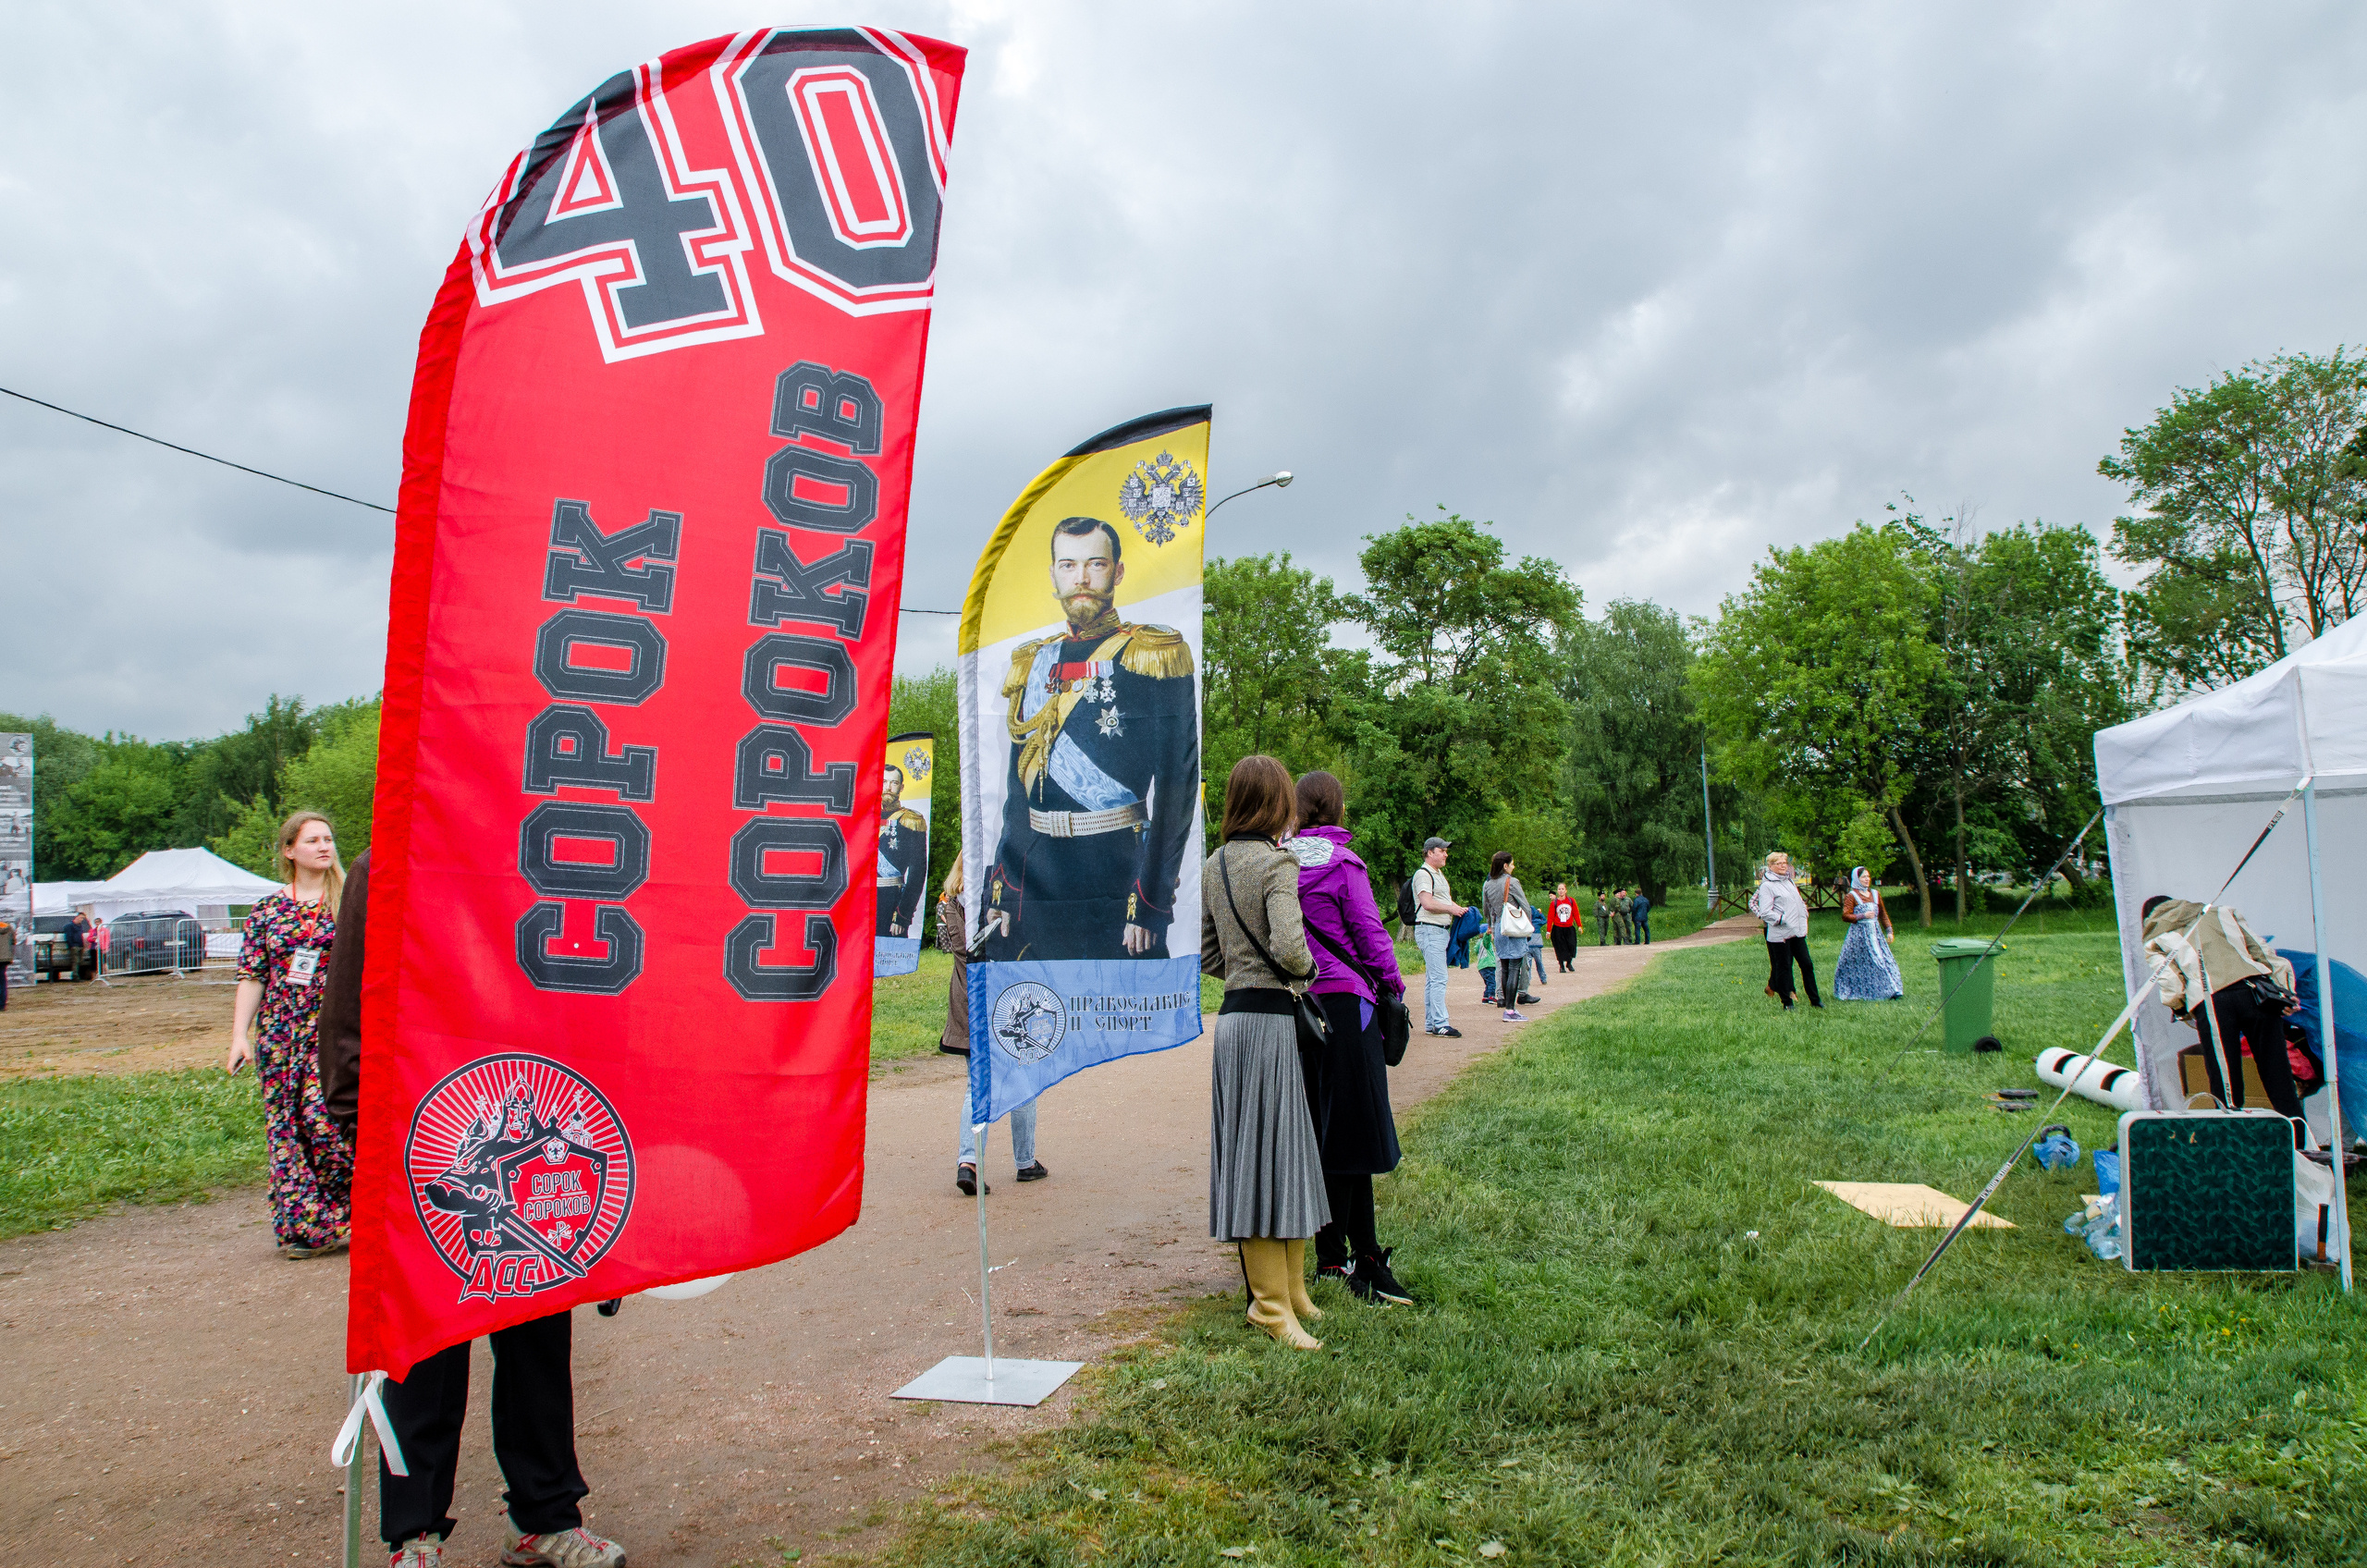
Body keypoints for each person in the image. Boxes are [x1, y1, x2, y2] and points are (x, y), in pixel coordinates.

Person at [318, 851, 628, 1568]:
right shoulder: (388, 864)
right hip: (427, 1142)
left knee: (538, 1342)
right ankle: (415, 1535)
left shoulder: (535, 857)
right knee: (423, 1349)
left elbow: (575, 997)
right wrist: (363, 1124)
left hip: (532, 1133)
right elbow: (348, 1010)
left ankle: (546, 1516)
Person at [979, 516, 1197, 962]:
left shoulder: (1154, 654)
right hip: (1037, 876)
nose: (1081, 578)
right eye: (1068, 565)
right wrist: (1003, 884)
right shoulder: (1033, 662)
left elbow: (1177, 787)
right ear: (1053, 575)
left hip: (1116, 872)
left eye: (1095, 564)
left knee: (1122, 1003)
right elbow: (1018, 792)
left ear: (1117, 572)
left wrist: (1151, 898)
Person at [1202, 754, 1331, 1350]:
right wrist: (1303, 973)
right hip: (1272, 1025)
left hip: (1234, 1021)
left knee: (1267, 1151)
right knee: (1276, 1152)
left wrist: (1243, 971)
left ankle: (1291, 1294)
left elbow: (1207, 953)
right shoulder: (1279, 863)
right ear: (1277, 802)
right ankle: (1273, 1307)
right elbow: (1291, 948)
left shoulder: (1214, 865)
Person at [1284, 771, 1416, 1306]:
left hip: (1300, 1009)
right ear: (1338, 810)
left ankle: (1339, 1256)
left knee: (1323, 1130)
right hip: (1347, 1004)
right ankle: (1357, 1259)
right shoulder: (1343, 864)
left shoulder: (1281, 863)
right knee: (1353, 1134)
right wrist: (1394, 988)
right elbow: (1369, 934)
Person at [226, 810, 353, 1257]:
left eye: (328, 839)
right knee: (286, 1129)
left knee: (326, 1121)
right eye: (313, 840)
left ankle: (362, 1209)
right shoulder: (266, 911)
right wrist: (239, 1034)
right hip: (280, 1034)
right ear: (289, 850)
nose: (324, 846)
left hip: (334, 1030)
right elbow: (252, 975)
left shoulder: (350, 902)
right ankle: (304, 1229)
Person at [2141, 895, 2306, 1126]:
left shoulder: (2155, 937)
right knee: (2279, 1076)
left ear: (2148, 917)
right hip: (2255, 992)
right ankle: (2300, 1139)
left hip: (2212, 1002)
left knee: (2226, 1085)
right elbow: (2264, 953)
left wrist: (2181, 1009)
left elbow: (2171, 983)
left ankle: (2232, 1138)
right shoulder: (2222, 913)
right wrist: (2285, 994)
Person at [938, 860, 1046, 1194]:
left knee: (979, 1087)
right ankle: (1021, 1162)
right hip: (1002, 1003)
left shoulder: (951, 905)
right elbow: (980, 950)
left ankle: (971, 1162)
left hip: (974, 1007)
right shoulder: (988, 903)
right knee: (1022, 1083)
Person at [1409, 836, 1466, 1038]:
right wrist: (1452, 909)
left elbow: (1441, 901)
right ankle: (1440, 1023)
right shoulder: (1423, 874)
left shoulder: (1437, 874)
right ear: (1429, 852)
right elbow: (1427, 903)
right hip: (1430, 929)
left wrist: (1457, 910)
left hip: (1438, 930)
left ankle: (1432, 1022)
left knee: (1433, 979)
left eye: (1445, 851)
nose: (1445, 854)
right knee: (1439, 978)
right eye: (1442, 851)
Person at [1749, 852, 1821, 1010]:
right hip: (1780, 934)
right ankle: (1787, 1002)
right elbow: (1765, 911)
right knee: (1784, 967)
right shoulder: (1767, 885)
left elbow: (1798, 901)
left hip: (1797, 931)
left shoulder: (1789, 881)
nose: (1783, 866)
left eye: (1784, 863)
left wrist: (1804, 912)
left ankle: (1815, 1000)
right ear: (1770, 866)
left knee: (1807, 964)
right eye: (1779, 863)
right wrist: (1781, 919)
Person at [1481, 851, 1539, 1023]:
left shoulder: (1488, 884)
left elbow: (1486, 910)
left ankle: (1507, 1005)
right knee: (1515, 968)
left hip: (1499, 927)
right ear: (1505, 865)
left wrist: (1492, 926)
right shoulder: (1511, 882)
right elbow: (1525, 906)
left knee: (1505, 968)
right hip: (1513, 927)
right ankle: (1510, 1010)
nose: (1513, 867)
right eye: (1512, 864)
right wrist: (1528, 928)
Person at [1833, 866, 1904, 1001]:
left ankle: (1892, 989)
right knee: (1855, 963)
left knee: (1883, 959)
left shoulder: (1875, 894)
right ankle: (1863, 989)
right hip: (1858, 936)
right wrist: (1862, 915)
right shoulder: (1851, 896)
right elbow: (1845, 916)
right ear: (1857, 879)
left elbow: (1883, 914)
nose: (1867, 879)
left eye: (1868, 876)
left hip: (1875, 934)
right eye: (1864, 877)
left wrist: (1889, 931)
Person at [877, 761, 928, 941]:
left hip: (892, 901)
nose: (888, 787)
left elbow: (917, 872)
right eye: (883, 782)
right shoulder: (861, 816)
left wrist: (903, 915)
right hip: (861, 903)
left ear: (901, 787)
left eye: (894, 783)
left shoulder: (912, 820)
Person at [1547, 885, 1580, 973]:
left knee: (1571, 945)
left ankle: (1569, 963)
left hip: (1569, 927)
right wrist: (1548, 931)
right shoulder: (1554, 903)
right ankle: (1561, 966)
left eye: (1562, 889)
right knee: (1560, 947)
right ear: (1557, 891)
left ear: (1566, 890)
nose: (1561, 891)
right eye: (1559, 889)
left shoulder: (1571, 901)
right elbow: (1550, 917)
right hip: (1558, 928)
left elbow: (1576, 913)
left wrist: (1579, 925)